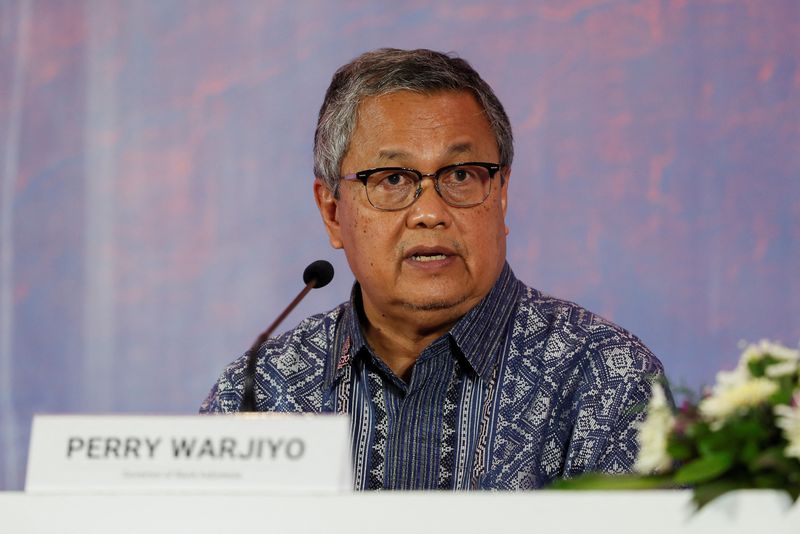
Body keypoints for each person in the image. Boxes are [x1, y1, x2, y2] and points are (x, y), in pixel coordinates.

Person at [201, 48, 667, 490]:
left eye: (461, 175)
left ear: (501, 195)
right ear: (332, 211)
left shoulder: (603, 375)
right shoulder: (264, 387)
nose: (430, 212)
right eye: (392, 179)